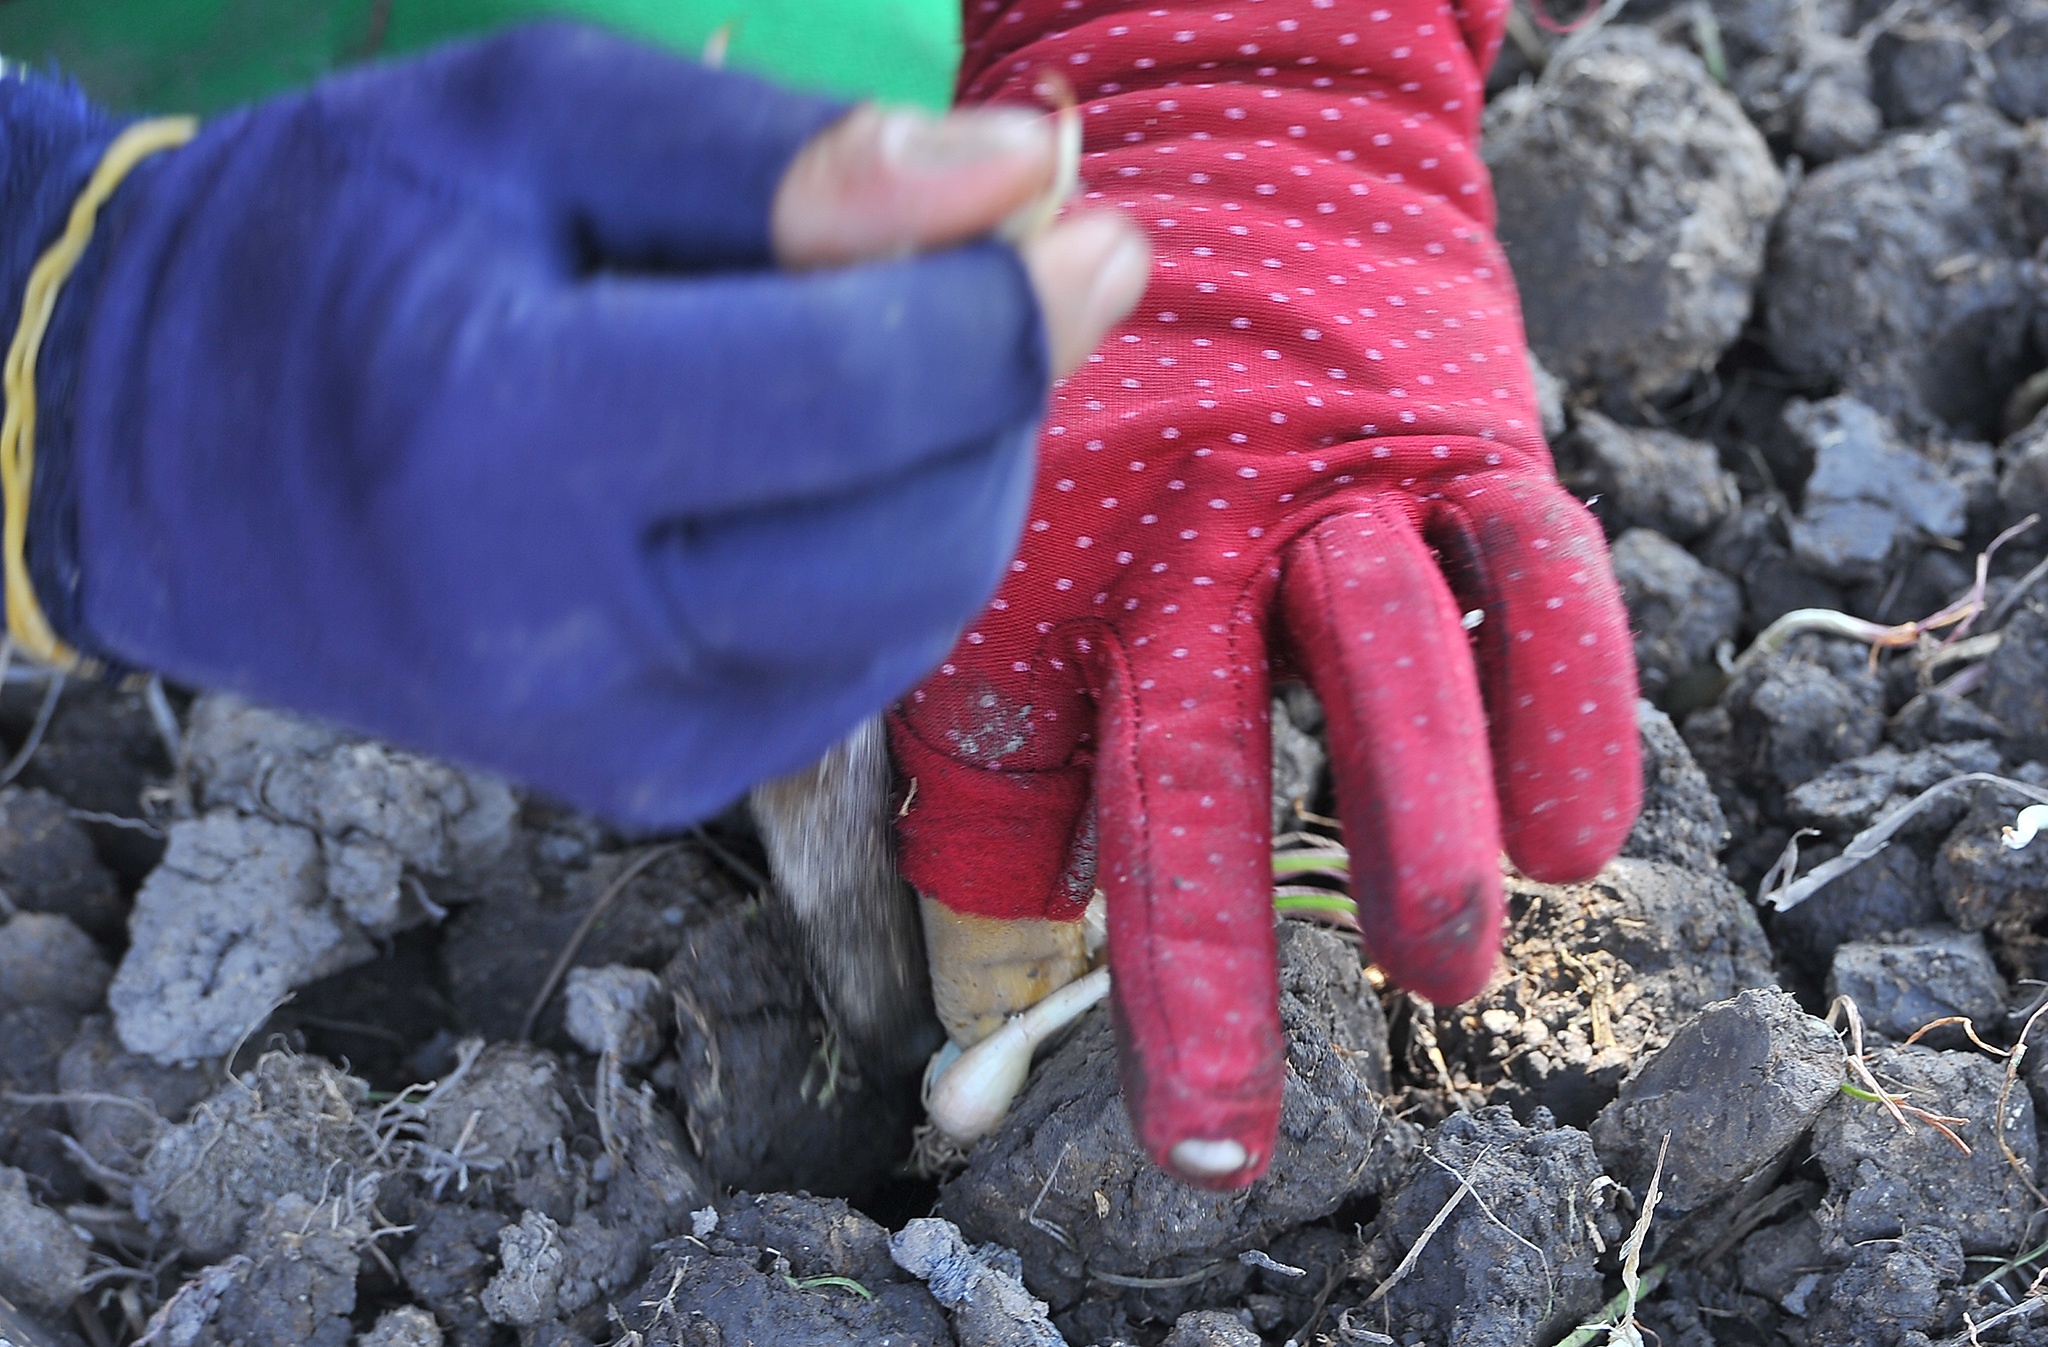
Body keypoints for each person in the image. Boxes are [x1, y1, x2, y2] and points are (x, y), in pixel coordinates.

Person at [0, 0, 1642, 1191]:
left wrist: (1233, 54)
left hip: (876, 81)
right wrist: (82, 313)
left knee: (810, 178)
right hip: (122, 65)